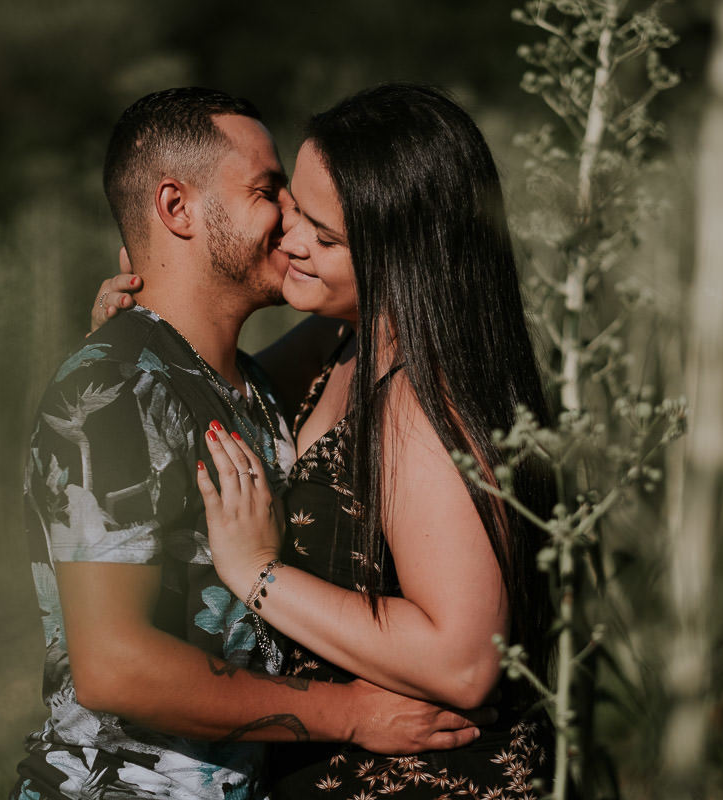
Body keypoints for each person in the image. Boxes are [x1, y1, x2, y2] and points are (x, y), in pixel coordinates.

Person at [14, 87, 488, 800]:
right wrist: (353, 715)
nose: (292, 224)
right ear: (177, 208)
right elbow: (115, 664)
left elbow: (382, 293)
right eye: (270, 192)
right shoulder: (109, 391)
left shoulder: (251, 386)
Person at [194, 84, 555, 799]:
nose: (290, 239)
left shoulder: (422, 404)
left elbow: (465, 661)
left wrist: (258, 575)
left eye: (325, 239)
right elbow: (215, 399)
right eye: (295, 207)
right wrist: (136, 344)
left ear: (403, 257)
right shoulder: (346, 341)